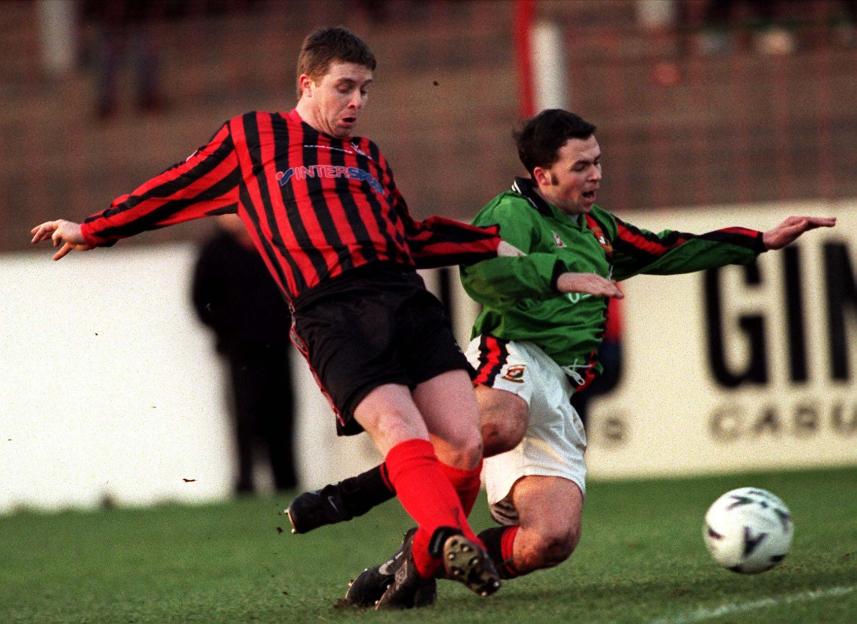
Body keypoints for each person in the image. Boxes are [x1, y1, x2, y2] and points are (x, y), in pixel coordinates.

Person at [29, 26, 529, 609]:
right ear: (307, 83)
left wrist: (494, 242)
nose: (356, 103)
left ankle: (419, 559)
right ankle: (445, 539)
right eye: (345, 88)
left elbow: (409, 236)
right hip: (332, 311)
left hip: (406, 299)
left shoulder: (368, 156)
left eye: (366, 91)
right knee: (401, 432)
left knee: (465, 446)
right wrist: (93, 229)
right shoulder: (254, 137)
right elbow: (175, 186)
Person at [284, 109, 837, 608]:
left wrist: (759, 241)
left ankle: (416, 559)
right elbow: (482, 272)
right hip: (514, 352)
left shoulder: (598, 228)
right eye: (580, 167)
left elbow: (669, 248)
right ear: (543, 175)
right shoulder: (511, 213)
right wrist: (557, 275)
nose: (595, 175)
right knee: (496, 425)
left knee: (550, 541)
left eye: (597, 162)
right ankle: (357, 493)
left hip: (564, 383)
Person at [191, 214, 297, 495]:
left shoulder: (273, 246)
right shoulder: (214, 251)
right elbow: (201, 301)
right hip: (240, 353)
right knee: (244, 419)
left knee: (282, 416)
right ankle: (245, 484)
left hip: (278, 347)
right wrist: (228, 331)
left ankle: (286, 483)